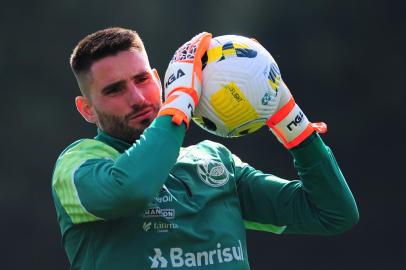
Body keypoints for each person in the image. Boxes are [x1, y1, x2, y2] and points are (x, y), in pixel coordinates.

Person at [52, 27, 359, 270]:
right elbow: (131, 189)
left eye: (142, 79)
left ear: (160, 80)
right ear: (87, 109)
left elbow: (332, 214)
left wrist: (293, 123)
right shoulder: (78, 165)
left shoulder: (216, 161)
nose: (137, 98)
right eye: (114, 89)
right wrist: (178, 106)